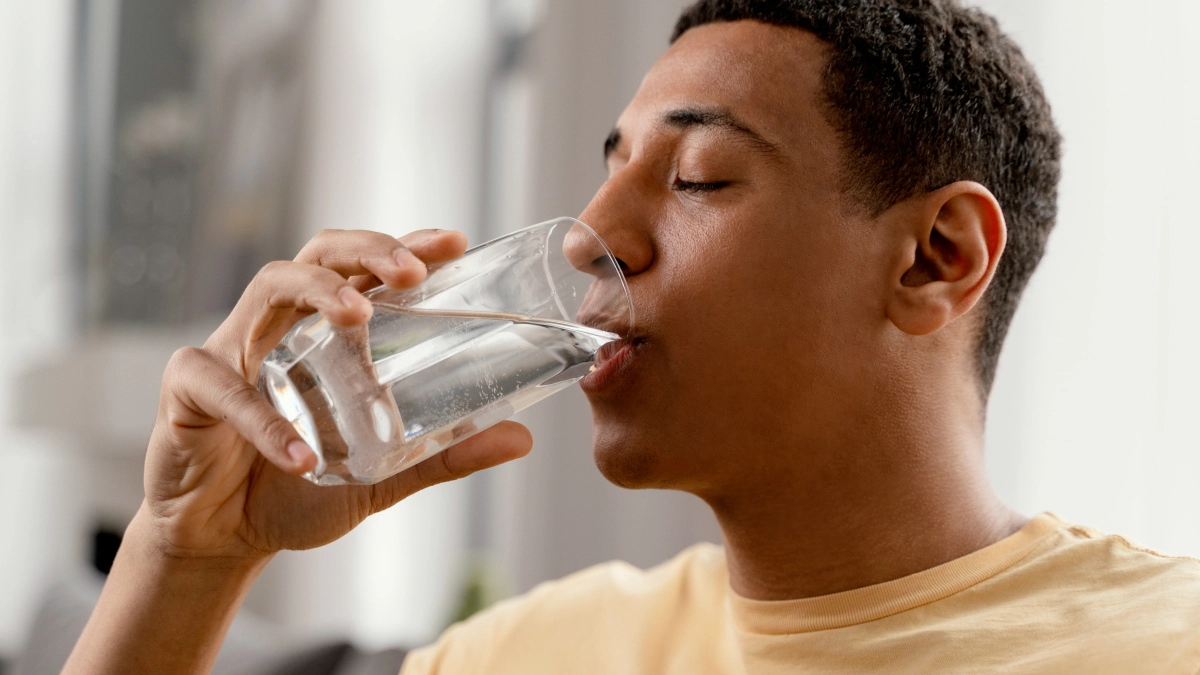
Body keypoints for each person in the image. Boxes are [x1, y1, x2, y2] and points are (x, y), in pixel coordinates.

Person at [64, 1, 1200, 673]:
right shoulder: (520, 657)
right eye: (608, 170)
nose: (591, 238)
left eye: (698, 177)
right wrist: (190, 555)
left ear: (934, 257)